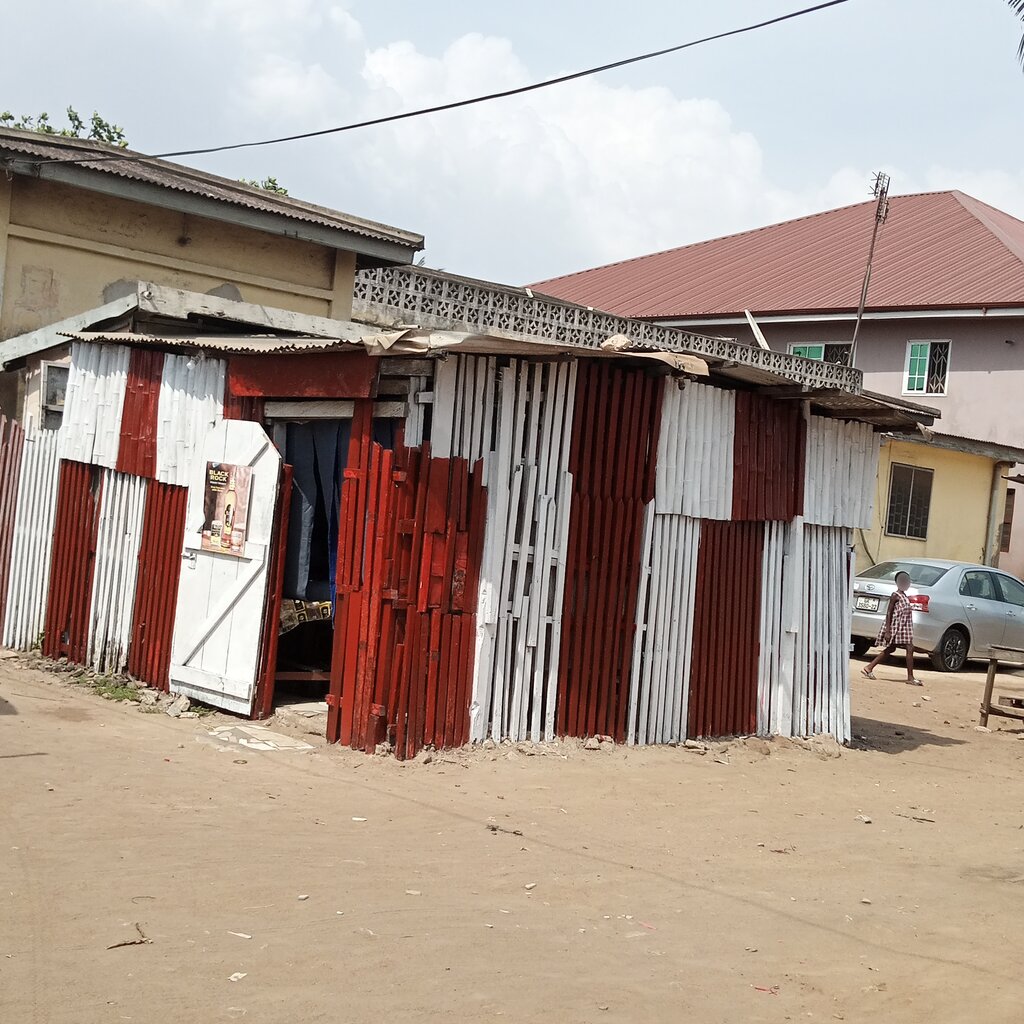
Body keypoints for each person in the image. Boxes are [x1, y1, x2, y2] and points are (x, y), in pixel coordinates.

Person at [861, 570, 921, 685]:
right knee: (909, 648)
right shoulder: (895, 595)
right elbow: (889, 613)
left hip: (904, 628)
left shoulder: (904, 596)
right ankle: (910, 677)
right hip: (896, 628)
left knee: (892, 648)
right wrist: (888, 631)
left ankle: (869, 667)